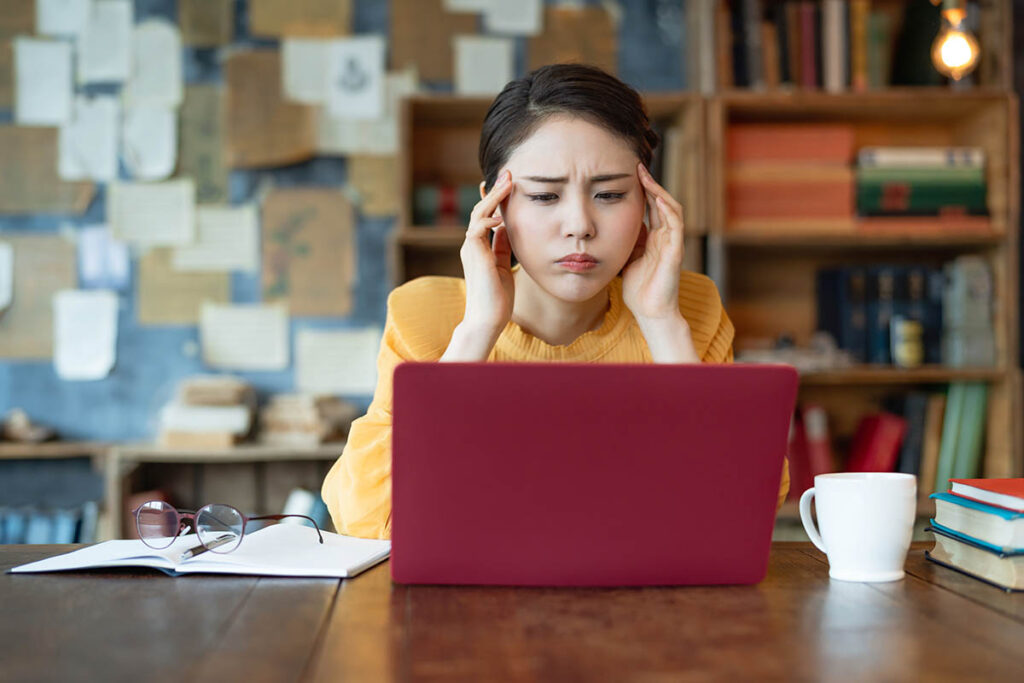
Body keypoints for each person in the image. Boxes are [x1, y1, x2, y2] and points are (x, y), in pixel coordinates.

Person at [322, 64, 789, 539]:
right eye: (545, 196)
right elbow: (368, 519)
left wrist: (662, 324)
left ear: (648, 203)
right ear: (494, 208)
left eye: (609, 194)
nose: (580, 225)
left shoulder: (688, 309)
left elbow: (740, 510)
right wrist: (478, 331)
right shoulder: (426, 316)